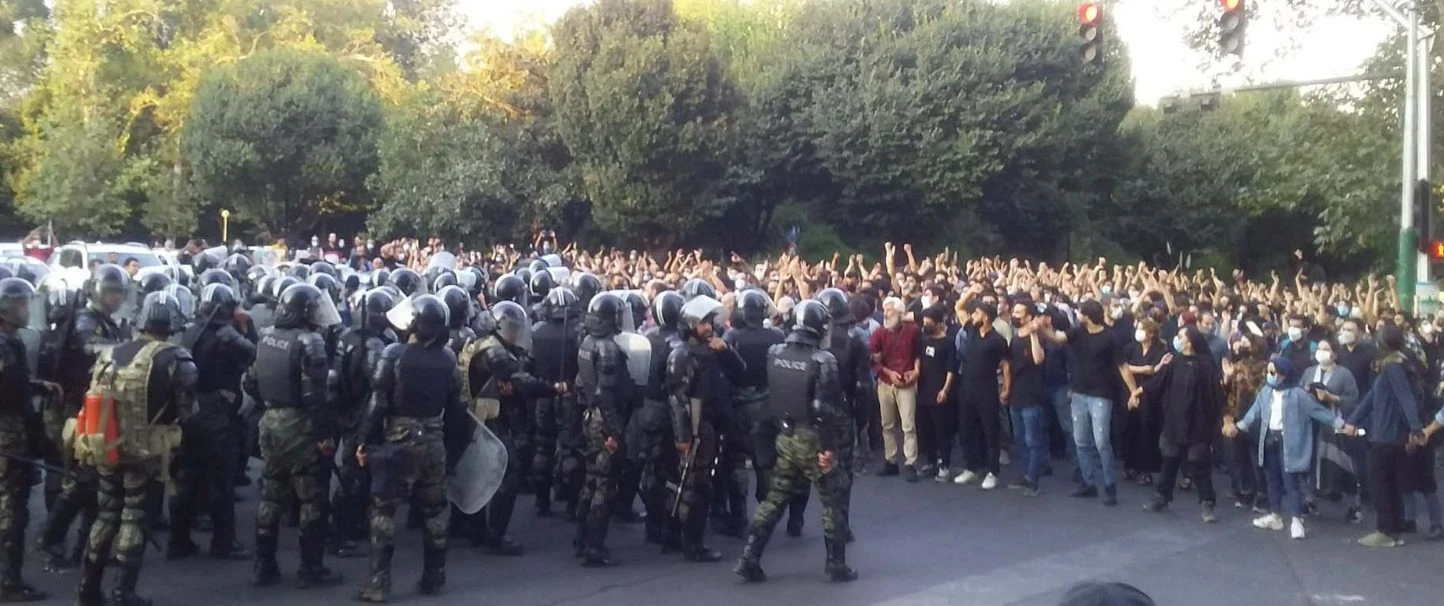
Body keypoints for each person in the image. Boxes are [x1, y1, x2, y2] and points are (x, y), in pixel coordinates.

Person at [75, 291, 195, 606]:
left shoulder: (110, 353)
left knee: (105, 516)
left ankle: (88, 590)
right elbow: (187, 413)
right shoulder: (176, 358)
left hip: (106, 446)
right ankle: (123, 592)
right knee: (135, 518)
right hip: (147, 453)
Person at [733, 300, 857, 584]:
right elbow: (823, 409)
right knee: (833, 500)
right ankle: (836, 564)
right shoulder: (823, 360)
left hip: (786, 435)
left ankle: (749, 557)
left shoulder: (775, 352)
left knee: (776, 498)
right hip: (813, 437)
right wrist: (828, 447)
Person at [354, 295, 467, 602]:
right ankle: (434, 576)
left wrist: (363, 441)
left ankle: (378, 583)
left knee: (383, 510)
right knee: (435, 510)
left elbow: (378, 404)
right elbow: (456, 408)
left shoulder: (394, 353)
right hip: (433, 440)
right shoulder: (448, 358)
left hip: (398, 441)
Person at [244, 283, 345, 588]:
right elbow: (317, 396)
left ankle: (263, 566)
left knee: (272, 492)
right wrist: (325, 435)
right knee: (311, 497)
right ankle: (310, 569)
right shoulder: (309, 341)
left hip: (270, 421)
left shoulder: (266, 337)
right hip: (301, 425)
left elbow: (250, 382)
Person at [38, 264, 130, 571]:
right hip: (73, 409)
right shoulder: (85, 319)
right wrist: (132, 350)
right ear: (96, 291)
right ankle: (51, 538)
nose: (115, 297)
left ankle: (88, 546)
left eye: (119, 292)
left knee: (98, 480)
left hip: (97, 408)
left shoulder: (110, 323)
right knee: (82, 478)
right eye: (110, 291)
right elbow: (93, 346)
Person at [456, 301, 564, 554]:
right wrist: (554, 388)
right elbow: (521, 381)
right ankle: (496, 535)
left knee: (476, 473)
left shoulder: (479, 343)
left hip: (473, 417)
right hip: (487, 420)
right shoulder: (495, 352)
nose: (515, 333)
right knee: (508, 473)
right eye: (512, 328)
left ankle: (472, 528)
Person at [168, 283, 254, 561]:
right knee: (221, 478)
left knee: (187, 476)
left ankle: (179, 540)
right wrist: (245, 326)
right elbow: (252, 352)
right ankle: (223, 542)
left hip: (188, 409)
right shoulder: (225, 335)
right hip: (214, 410)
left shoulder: (191, 330)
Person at [1228, 357, 1351, 540]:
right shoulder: (1266, 392)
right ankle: (1275, 515)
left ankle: (1296, 520)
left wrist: (1342, 424)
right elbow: (1253, 414)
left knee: (1291, 482)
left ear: (1284, 374)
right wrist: (1237, 428)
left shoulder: (1298, 395)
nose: (1269, 376)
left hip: (1289, 443)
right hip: (1269, 440)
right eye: (1268, 372)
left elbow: (1319, 412)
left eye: (1273, 372)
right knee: (1271, 480)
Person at [667, 294, 743, 562]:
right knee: (695, 488)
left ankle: (682, 537)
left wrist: (727, 351)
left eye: (710, 322)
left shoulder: (713, 350)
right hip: (695, 431)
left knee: (702, 486)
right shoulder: (682, 354)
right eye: (702, 323)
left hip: (713, 427)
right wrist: (683, 437)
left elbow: (740, 372)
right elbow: (677, 399)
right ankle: (691, 543)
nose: (708, 327)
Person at [1046, 299, 1140, 506]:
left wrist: (1133, 391)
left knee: (1101, 442)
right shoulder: (1078, 331)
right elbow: (1057, 338)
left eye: (1081, 313)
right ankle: (1088, 482)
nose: (1078, 315)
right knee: (1080, 440)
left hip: (1101, 395)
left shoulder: (1110, 337)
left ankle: (1110, 485)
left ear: (1087, 316)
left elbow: (1123, 366)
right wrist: (1040, 330)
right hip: (1079, 393)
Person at [329, 289, 397, 558]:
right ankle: (338, 533)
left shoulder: (347, 336)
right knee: (354, 474)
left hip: (347, 410)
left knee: (358, 472)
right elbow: (379, 385)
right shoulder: (374, 345)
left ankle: (353, 524)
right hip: (363, 413)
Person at [1345, 325, 1426, 547]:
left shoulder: (1392, 368)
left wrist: (1416, 428)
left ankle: (1385, 530)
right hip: (1389, 433)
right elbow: (1372, 398)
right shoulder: (1396, 365)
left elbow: (1405, 397)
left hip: (1387, 434)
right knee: (1391, 483)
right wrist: (1352, 420)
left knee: (1380, 483)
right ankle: (1394, 530)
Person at [1140, 327, 1225, 523]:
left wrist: (1220, 419)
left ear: (1191, 341)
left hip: (1198, 423)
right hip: (1174, 421)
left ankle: (1207, 503)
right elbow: (1158, 383)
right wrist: (1139, 392)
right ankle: (1162, 497)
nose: (1178, 340)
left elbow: (1216, 396)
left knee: (1198, 463)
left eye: (1181, 337)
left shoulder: (1206, 366)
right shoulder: (1174, 362)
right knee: (1169, 461)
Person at [718, 290, 783, 537]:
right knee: (765, 462)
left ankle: (739, 517)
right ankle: (767, 514)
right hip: (767, 403)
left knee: (736, 462)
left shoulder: (733, 336)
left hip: (738, 404)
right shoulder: (776, 335)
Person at [573, 293, 629, 566]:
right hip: (604, 420)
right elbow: (605, 394)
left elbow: (579, 385)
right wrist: (614, 432)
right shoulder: (607, 348)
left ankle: (580, 538)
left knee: (591, 479)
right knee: (604, 485)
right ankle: (594, 546)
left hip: (590, 416)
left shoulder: (586, 342)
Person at [0, 278, 46, 602]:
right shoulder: (4, 346)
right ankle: (9, 581)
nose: (26, 310)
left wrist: (36, 386)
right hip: (7, 438)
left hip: (13, 434)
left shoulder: (11, 343)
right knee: (12, 510)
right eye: (20, 304)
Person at [529, 287, 581, 518]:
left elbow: (528, 365)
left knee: (543, 448)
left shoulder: (536, 332)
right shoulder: (578, 333)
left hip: (544, 394)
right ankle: (571, 503)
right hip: (569, 395)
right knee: (571, 449)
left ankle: (542, 501)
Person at [1301, 339, 1364, 524]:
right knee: (1311, 463)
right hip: (1312, 425)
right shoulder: (1309, 372)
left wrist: (1332, 398)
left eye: (1326, 349)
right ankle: (1310, 499)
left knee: (1342, 464)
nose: (1321, 352)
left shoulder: (1344, 374)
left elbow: (1353, 400)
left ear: (1334, 354)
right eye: (1319, 348)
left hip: (1335, 426)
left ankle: (1353, 506)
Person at [638, 292, 683, 547]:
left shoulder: (646, 338)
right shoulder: (677, 343)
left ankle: (652, 524)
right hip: (668, 412)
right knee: (673, 472)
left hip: (647, 409)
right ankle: (669, 527)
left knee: (652, 469)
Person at [953, 298, 1010, 489]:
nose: (973, 316)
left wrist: (1006, 389)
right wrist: (972, 291)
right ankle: (971, 467)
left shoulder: (997, 340)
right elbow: (959, 308)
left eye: (977, 313)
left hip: (987, 391)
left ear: (985, 317)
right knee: (966, 430)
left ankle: (993, 472)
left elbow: (1005, 366)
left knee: (990, 431)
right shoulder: (971, 330)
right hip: (967, 388)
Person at [870, 296, 921, 480]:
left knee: (908, 425)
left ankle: (910, 462)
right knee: (887, 425)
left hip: (907, 382)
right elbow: (874, 360)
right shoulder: (879, 333)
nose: (886, 313)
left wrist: (916, 371)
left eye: (890, 310)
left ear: (899, 313)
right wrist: (889, 373)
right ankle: (890, 460)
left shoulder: (913, 331)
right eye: (884, 309)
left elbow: (918, 353)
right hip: (886, 382)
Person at [1006, 301, 1046, 495]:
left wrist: (1033, 334)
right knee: (1020, 439)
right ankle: (1025, 474)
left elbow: (1038, 359)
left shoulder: (1036, 337)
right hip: (1016, 395)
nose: (1014, 315)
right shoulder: (1014, 338)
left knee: (1032, 440)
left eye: (1018, 312)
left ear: (1029, 316)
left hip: (1032, 396)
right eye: (1014, 311)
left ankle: (1033, 479)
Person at [1121, 318, 1166, 487]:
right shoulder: (1130, 348)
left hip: (1149, 395)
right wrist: (1145, 369)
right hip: (1129, 391)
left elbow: (1159, 373)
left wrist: (1148, 373)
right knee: (1130, 428)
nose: (1138, 332)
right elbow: (1122, 367)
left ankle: (1146, 470)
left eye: (1142, 329)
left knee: (1147, 431)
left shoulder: (1159, 351)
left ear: (1151, 333)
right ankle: (1130, 465)